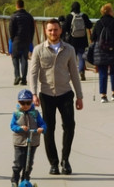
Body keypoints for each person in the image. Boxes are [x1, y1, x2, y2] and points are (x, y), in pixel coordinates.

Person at [28, 18, 83, 175]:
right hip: (46, 95)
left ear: (60, 31)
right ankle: (53, 162)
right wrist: (33, 94)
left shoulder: (69, 49)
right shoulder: (39, 50)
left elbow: (74, 73)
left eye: (56, 29)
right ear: (46, 31)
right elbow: (33, 73)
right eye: (50, 30)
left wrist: (79, 96)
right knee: (48, 129)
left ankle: (65, 160)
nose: (53, 32)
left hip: (65, 93)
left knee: (69, 126)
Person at [10, 89, 46, 187]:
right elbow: (12, 126)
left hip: (32, 142)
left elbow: (42, 123)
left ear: (31, 102)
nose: (25, 105)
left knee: (28, 163)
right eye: (22, 103)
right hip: (20, 142)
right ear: (18, 102)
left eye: (28, 103)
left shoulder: (35, 113)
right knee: (18, 163)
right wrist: (20, 128)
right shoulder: (17, 113)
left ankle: (25, 180)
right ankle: (14, 182)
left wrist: (42, 129)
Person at [89, 3, 114, 103]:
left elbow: (92, 37)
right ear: (110, 11)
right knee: (113, 72)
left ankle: (103, 96)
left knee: (102, 73)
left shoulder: (98, 23)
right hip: (112, 50)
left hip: (100, 51)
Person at [62, 2, 93, 82]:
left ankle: (71, 74)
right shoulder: (84, 16)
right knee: (81, 57)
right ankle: (81, 71)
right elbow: (90, 25)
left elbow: (64, 27)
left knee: (71, 58)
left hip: (72, 40)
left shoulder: (69, 16)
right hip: (82, 40)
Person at [8, 0, 35, 86]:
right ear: (23, 5)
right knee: (24, 59)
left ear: (16, 6)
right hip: (26, 40)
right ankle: (24, 79)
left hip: (16, 39)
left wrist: (12, 39)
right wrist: (30, 39)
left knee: (15, 58)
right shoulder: (29, 16)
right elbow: (32, 29)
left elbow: (11, 29)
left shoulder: (13, 16)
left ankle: (17, 76)